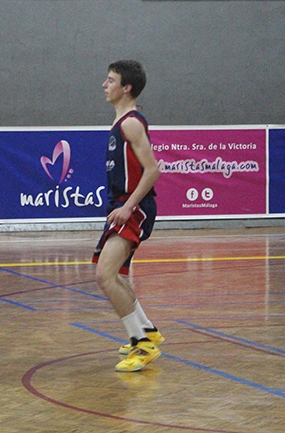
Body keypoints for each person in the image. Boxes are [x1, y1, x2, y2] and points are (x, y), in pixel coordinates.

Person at [92, 60, 163, 372]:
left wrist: (128, 206)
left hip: (134, 208)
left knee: (105, 276)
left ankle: (142, 344)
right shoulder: (120, 122)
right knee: (114, 276)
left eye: (111, 80)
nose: (104, 85)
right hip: (122, 205)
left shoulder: (131, 123)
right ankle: (147, 331)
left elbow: (152, 170)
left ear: (126, 88)